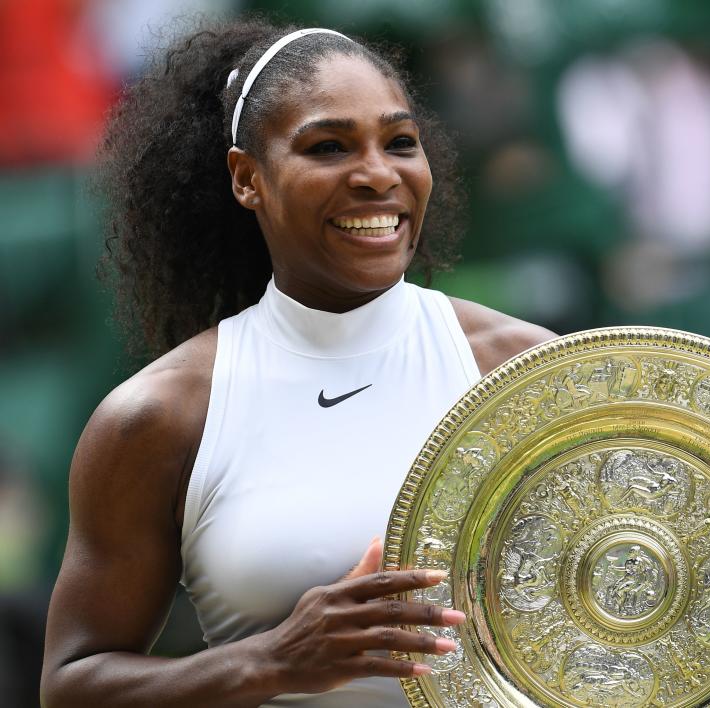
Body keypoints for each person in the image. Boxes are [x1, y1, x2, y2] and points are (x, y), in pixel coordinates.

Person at [40, 17, 554, 707]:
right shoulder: (160, 417)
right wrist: (276, 660)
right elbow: (72, 686)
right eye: (329, 147)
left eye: (400, 142)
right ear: (247, 179)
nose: (378, 174)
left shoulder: (528, 372)